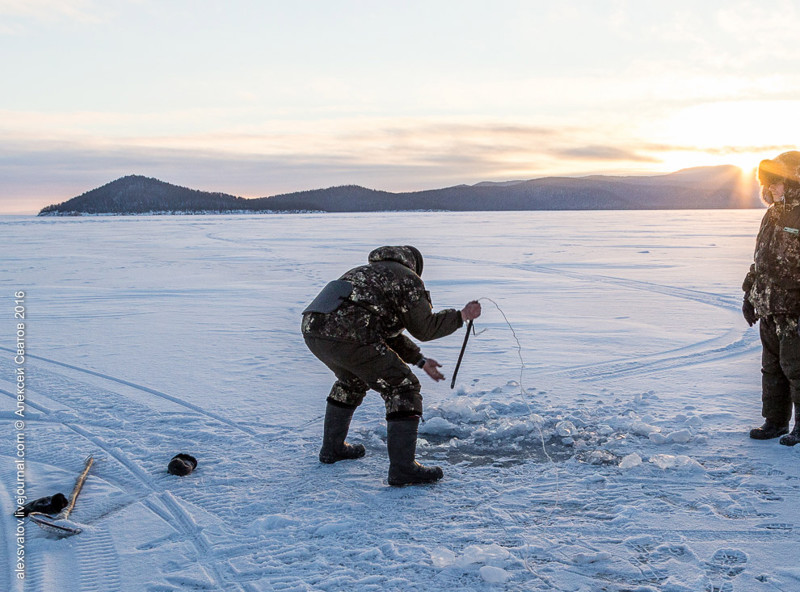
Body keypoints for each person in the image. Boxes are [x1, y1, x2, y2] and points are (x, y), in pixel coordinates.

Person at [302, 245, 481, 485]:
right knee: (403, 387)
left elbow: (382, 332)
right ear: (415, 265)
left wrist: (420, 360)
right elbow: (424, 328)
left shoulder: (364, 272)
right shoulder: (407, 278)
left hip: (313, 330)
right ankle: (403, 469)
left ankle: (332, 449)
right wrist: (461, 316)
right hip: (350, 333)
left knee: (352, 380)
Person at [742, 151, 800, 446]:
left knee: (797, 367)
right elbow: (761, 259)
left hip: (794, 307)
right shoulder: (772, 214)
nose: (773, 189)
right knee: (772, 368)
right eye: (770, 184)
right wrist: (750, 295)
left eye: (778, 183)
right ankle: (775, 421)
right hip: (769, 305)